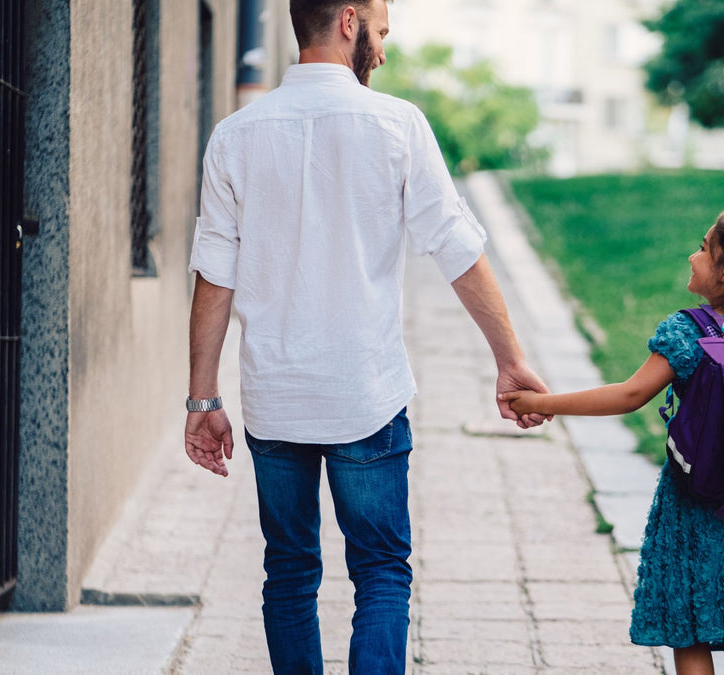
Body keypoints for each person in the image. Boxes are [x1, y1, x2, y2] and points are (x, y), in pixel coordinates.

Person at [182, 0, 550, 672]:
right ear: (348, 21)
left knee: (288, 570)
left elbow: (214, 274)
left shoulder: (236, 136)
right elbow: (455, 246)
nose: (382, 50)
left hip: (277, 397)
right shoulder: (397, 125)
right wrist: (510, 360)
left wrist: (202, 399)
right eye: (380, 33)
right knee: (381, 569)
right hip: (366, 396)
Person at [500, 208, 724, 675]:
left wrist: (544, 401)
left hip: (698, 504)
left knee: (687, 627)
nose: (693, 255)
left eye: (703, 247)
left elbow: (630, 394)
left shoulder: (690, 331)